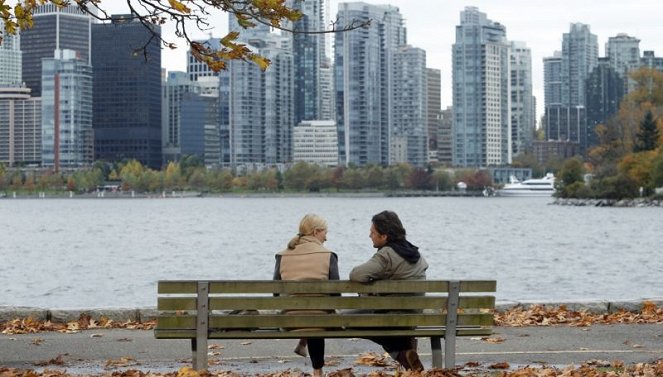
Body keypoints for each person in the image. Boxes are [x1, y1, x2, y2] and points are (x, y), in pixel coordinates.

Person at [349, 210, 428, 371]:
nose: (369, 235)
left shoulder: (387, 254)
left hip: (392, 317)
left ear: (384, 236)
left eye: (373, 232)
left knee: (345, 320)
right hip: (413, 315)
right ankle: (407, 356)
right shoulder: (416, 253)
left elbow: (356, 275)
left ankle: (404, 355)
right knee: (373, 320)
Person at [273, 214, 339, 377]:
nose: (326, 237)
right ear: (316, 232)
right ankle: (317, 370)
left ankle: (304, 341)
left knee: (308, 310)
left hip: (289, 319)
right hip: (320, 320)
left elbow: (275, 292)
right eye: (325, 232)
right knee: (317, 312)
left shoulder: (282, 255)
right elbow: (336, 294)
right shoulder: (329, 255)